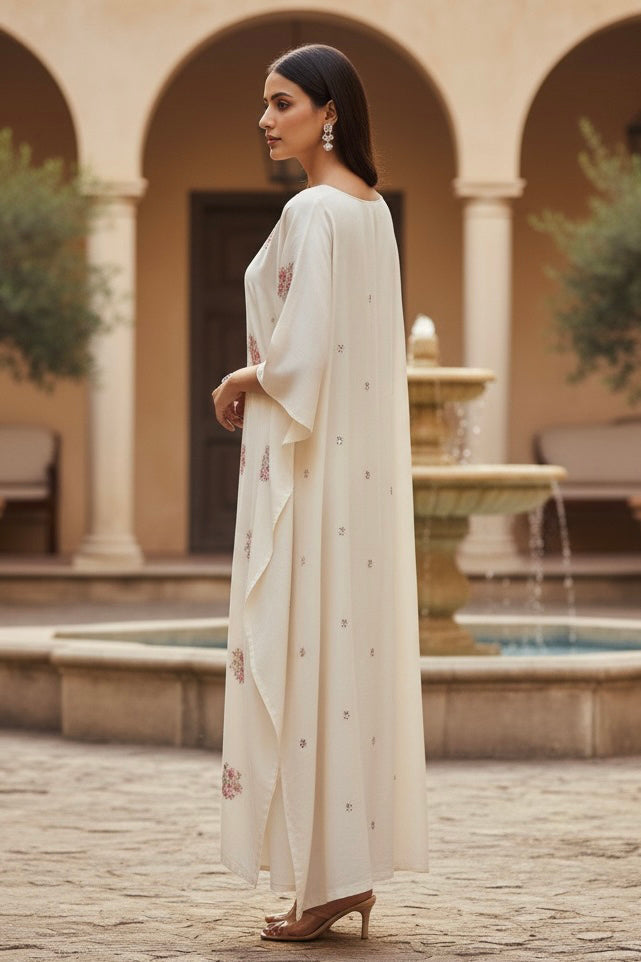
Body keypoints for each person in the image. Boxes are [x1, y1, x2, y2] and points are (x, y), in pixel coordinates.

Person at [211, 42, 429, 943]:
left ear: (328, 110)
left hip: (306, 465)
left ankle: (326, 880)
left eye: (282, 101)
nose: (265, 119)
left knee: (301, 649)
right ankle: (339, 872)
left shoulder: (313, 208)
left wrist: (236, 378)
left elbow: (297, 356)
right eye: (263, 104)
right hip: (349, 472)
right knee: (337, 658)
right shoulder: (371, 212)